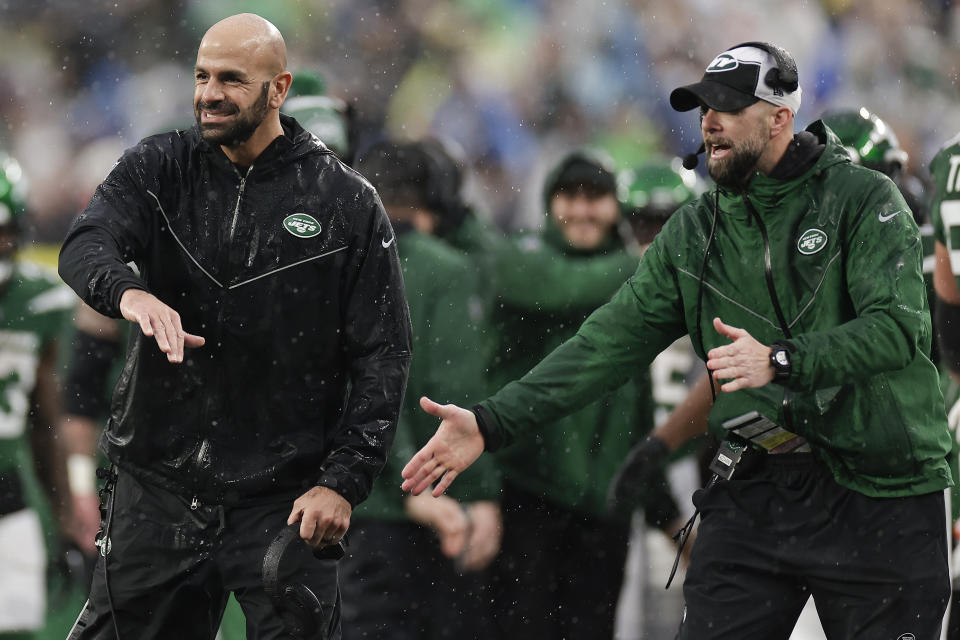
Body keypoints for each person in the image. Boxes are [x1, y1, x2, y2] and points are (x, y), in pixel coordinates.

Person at [402, 42, 953, 639]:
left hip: (879, 486)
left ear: (780, 117)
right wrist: (490, 422)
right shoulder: (696, 231)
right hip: (757, 484)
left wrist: (781, 360)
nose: (709, 121)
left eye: (728, 107)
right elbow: (604, 345)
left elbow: (897, 331)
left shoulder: (866, 199)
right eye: (702, 108)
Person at [57, 13, 412, 640]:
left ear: (279, 89)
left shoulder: (346, 201)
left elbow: (383, 355)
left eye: (231, 79)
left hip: (285, 497)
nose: (209, 93)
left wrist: (343, 482)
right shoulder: (160, 167)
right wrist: (130, 293)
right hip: (158, 485)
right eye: (201, 75)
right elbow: (85, 244)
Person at [475, 148, 678, 639]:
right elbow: (558, 287)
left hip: (603, 504)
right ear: (550, 203)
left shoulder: (630, 277)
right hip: (527, 493)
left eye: (597, 198)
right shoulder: (521, 257)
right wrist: (649, 267)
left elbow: (640, 405)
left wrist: (661, 508)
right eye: (570, 196)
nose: (583, 210)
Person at [339, 140, 500, 640]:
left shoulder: (330, 261)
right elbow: (456, 392)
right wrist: (481, 497)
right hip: (425, 512)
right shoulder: (445, 270)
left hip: (337, 505)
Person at [0, 151, 77, 639]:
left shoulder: (38, 302)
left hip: (6, 496)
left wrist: (66, 519)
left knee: (17, 629)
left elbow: (44, 420)